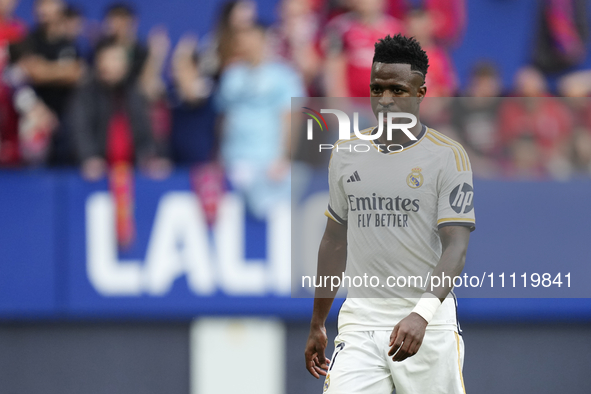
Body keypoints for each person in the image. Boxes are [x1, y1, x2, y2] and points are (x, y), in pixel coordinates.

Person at [304, 34, 474, 393]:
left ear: (420, 93)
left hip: (427, 326)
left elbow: (455, 248)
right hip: (360, 324)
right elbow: (334, 241)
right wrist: (318, 321)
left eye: (397, 90)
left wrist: (422, 314)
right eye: (376, 88)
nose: (384, 100)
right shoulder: (346, 152)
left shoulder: (448, 156)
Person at [215, 23, 305, 219]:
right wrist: (220, 155)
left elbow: (291, 118)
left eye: (250, 38)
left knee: (273, 219)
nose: (245, 43)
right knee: (235, 218)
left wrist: (284, 156)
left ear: (264, 41)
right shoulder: (231, 76)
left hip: (268, 160)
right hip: (235, 159)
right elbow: (224, 117)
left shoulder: (283, 75)